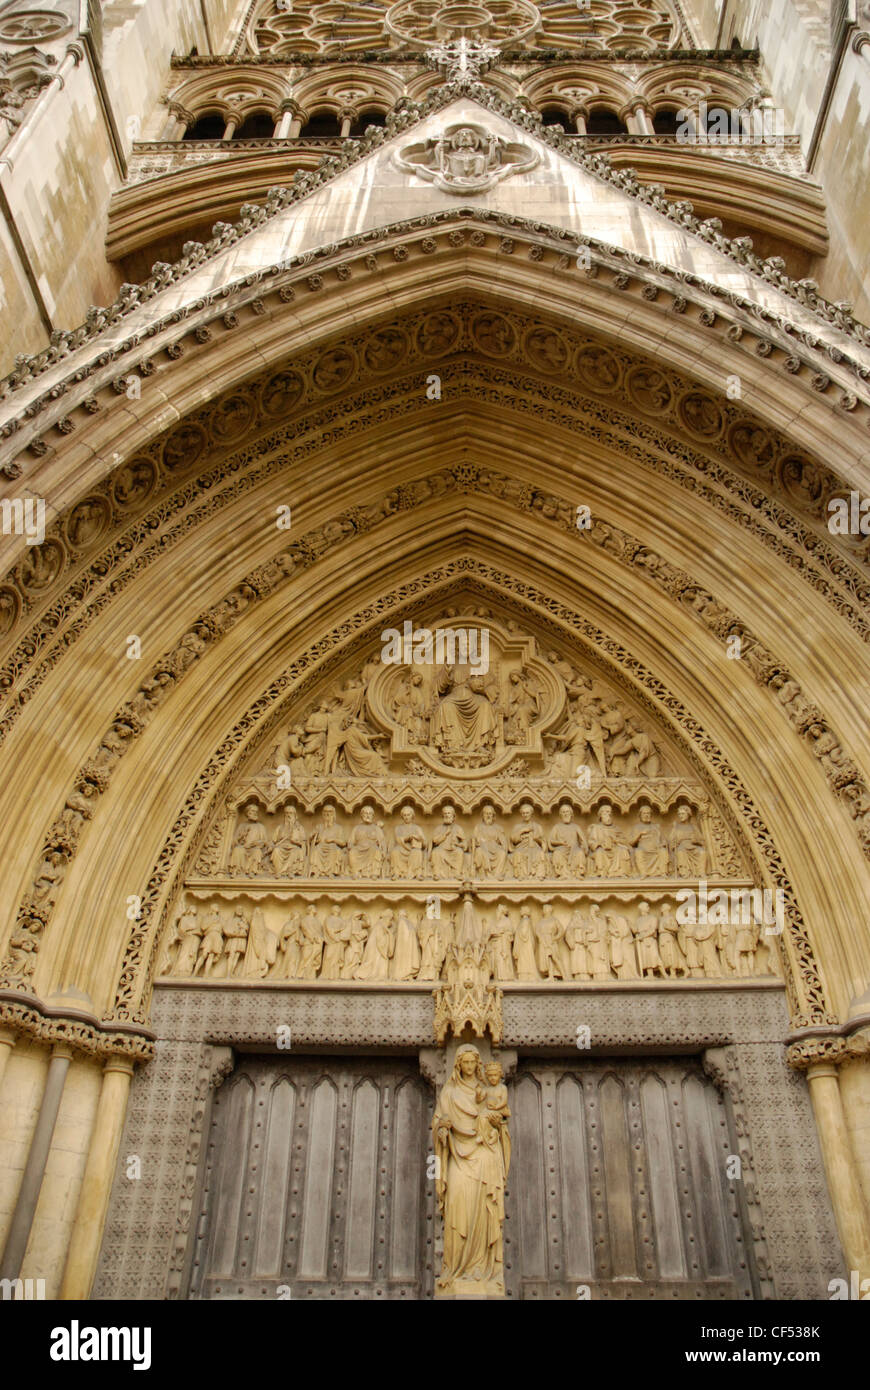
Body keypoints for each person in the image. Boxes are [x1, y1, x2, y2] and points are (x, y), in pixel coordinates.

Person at [432, 1045, 508, 1297]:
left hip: (484, 1154)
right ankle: (455, 1270)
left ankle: (482, 1271)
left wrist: (496, 1125)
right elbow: (437, 1121)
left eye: (472, 1063)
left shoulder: (486, 1091)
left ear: (478, 1064)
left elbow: (500, 1122)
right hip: (458, 1156)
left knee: (483, 1212)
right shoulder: (450, 1092)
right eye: (464, 1063)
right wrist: (441, 1129)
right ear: (457, 1065)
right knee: (458, 1208)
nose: (469, 1067)